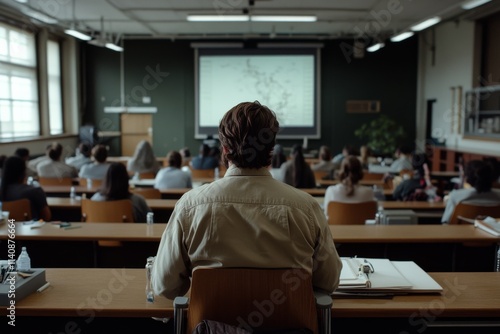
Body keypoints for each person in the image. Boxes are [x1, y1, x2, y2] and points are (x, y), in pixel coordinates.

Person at [151, 101, 342, 300]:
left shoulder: (190, 206)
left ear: (224, 149)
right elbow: (328, 281)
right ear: (271, 150)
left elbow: (165, 285)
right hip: (291, 327)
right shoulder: (306, 207)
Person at [441, 159, 500, 224]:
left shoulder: (455, 195)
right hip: (490, 233)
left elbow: (446, 221)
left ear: (467, 177)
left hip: (459, 232)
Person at [0, 156, 51, 221]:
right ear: (24, 172)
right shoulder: (35, 191)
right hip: (32, 229)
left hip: (8, 229)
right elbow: (46, 217)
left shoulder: (2, 191)